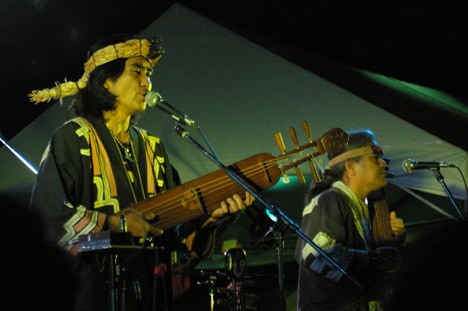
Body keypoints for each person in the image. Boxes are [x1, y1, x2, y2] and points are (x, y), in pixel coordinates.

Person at [29, 33, 252, 311]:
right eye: (137, 71)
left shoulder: (153, 149)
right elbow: (45, 218)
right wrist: (116, 224)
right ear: (107, 82)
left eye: (148, 73)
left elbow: (174, 228)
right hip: (92, 294)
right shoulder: (72, 139)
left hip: (150, 292)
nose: (147, 82)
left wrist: (211, 217)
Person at [295, 128, 406, 311]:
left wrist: (393, 239)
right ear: (351, 167)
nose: (383, 163)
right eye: (375, 156)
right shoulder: (330, 200)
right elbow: (314, 255)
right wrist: (375, 259)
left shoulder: (362, 205)